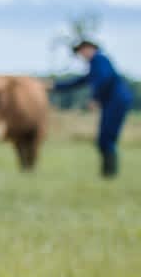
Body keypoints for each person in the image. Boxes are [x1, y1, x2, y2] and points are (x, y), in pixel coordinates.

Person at [54, 39, 133, 178]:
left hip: (116, 101)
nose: (81, 55)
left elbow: (104, 79)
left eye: (82, 51)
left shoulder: (99, 60)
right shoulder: (96, 64)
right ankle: (108, 174)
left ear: (90, 48)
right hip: (113, 102)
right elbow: (79, 82)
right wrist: (55, 86)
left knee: (106, 138)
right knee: (105, 138)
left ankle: (109, 175)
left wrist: (95, 98)